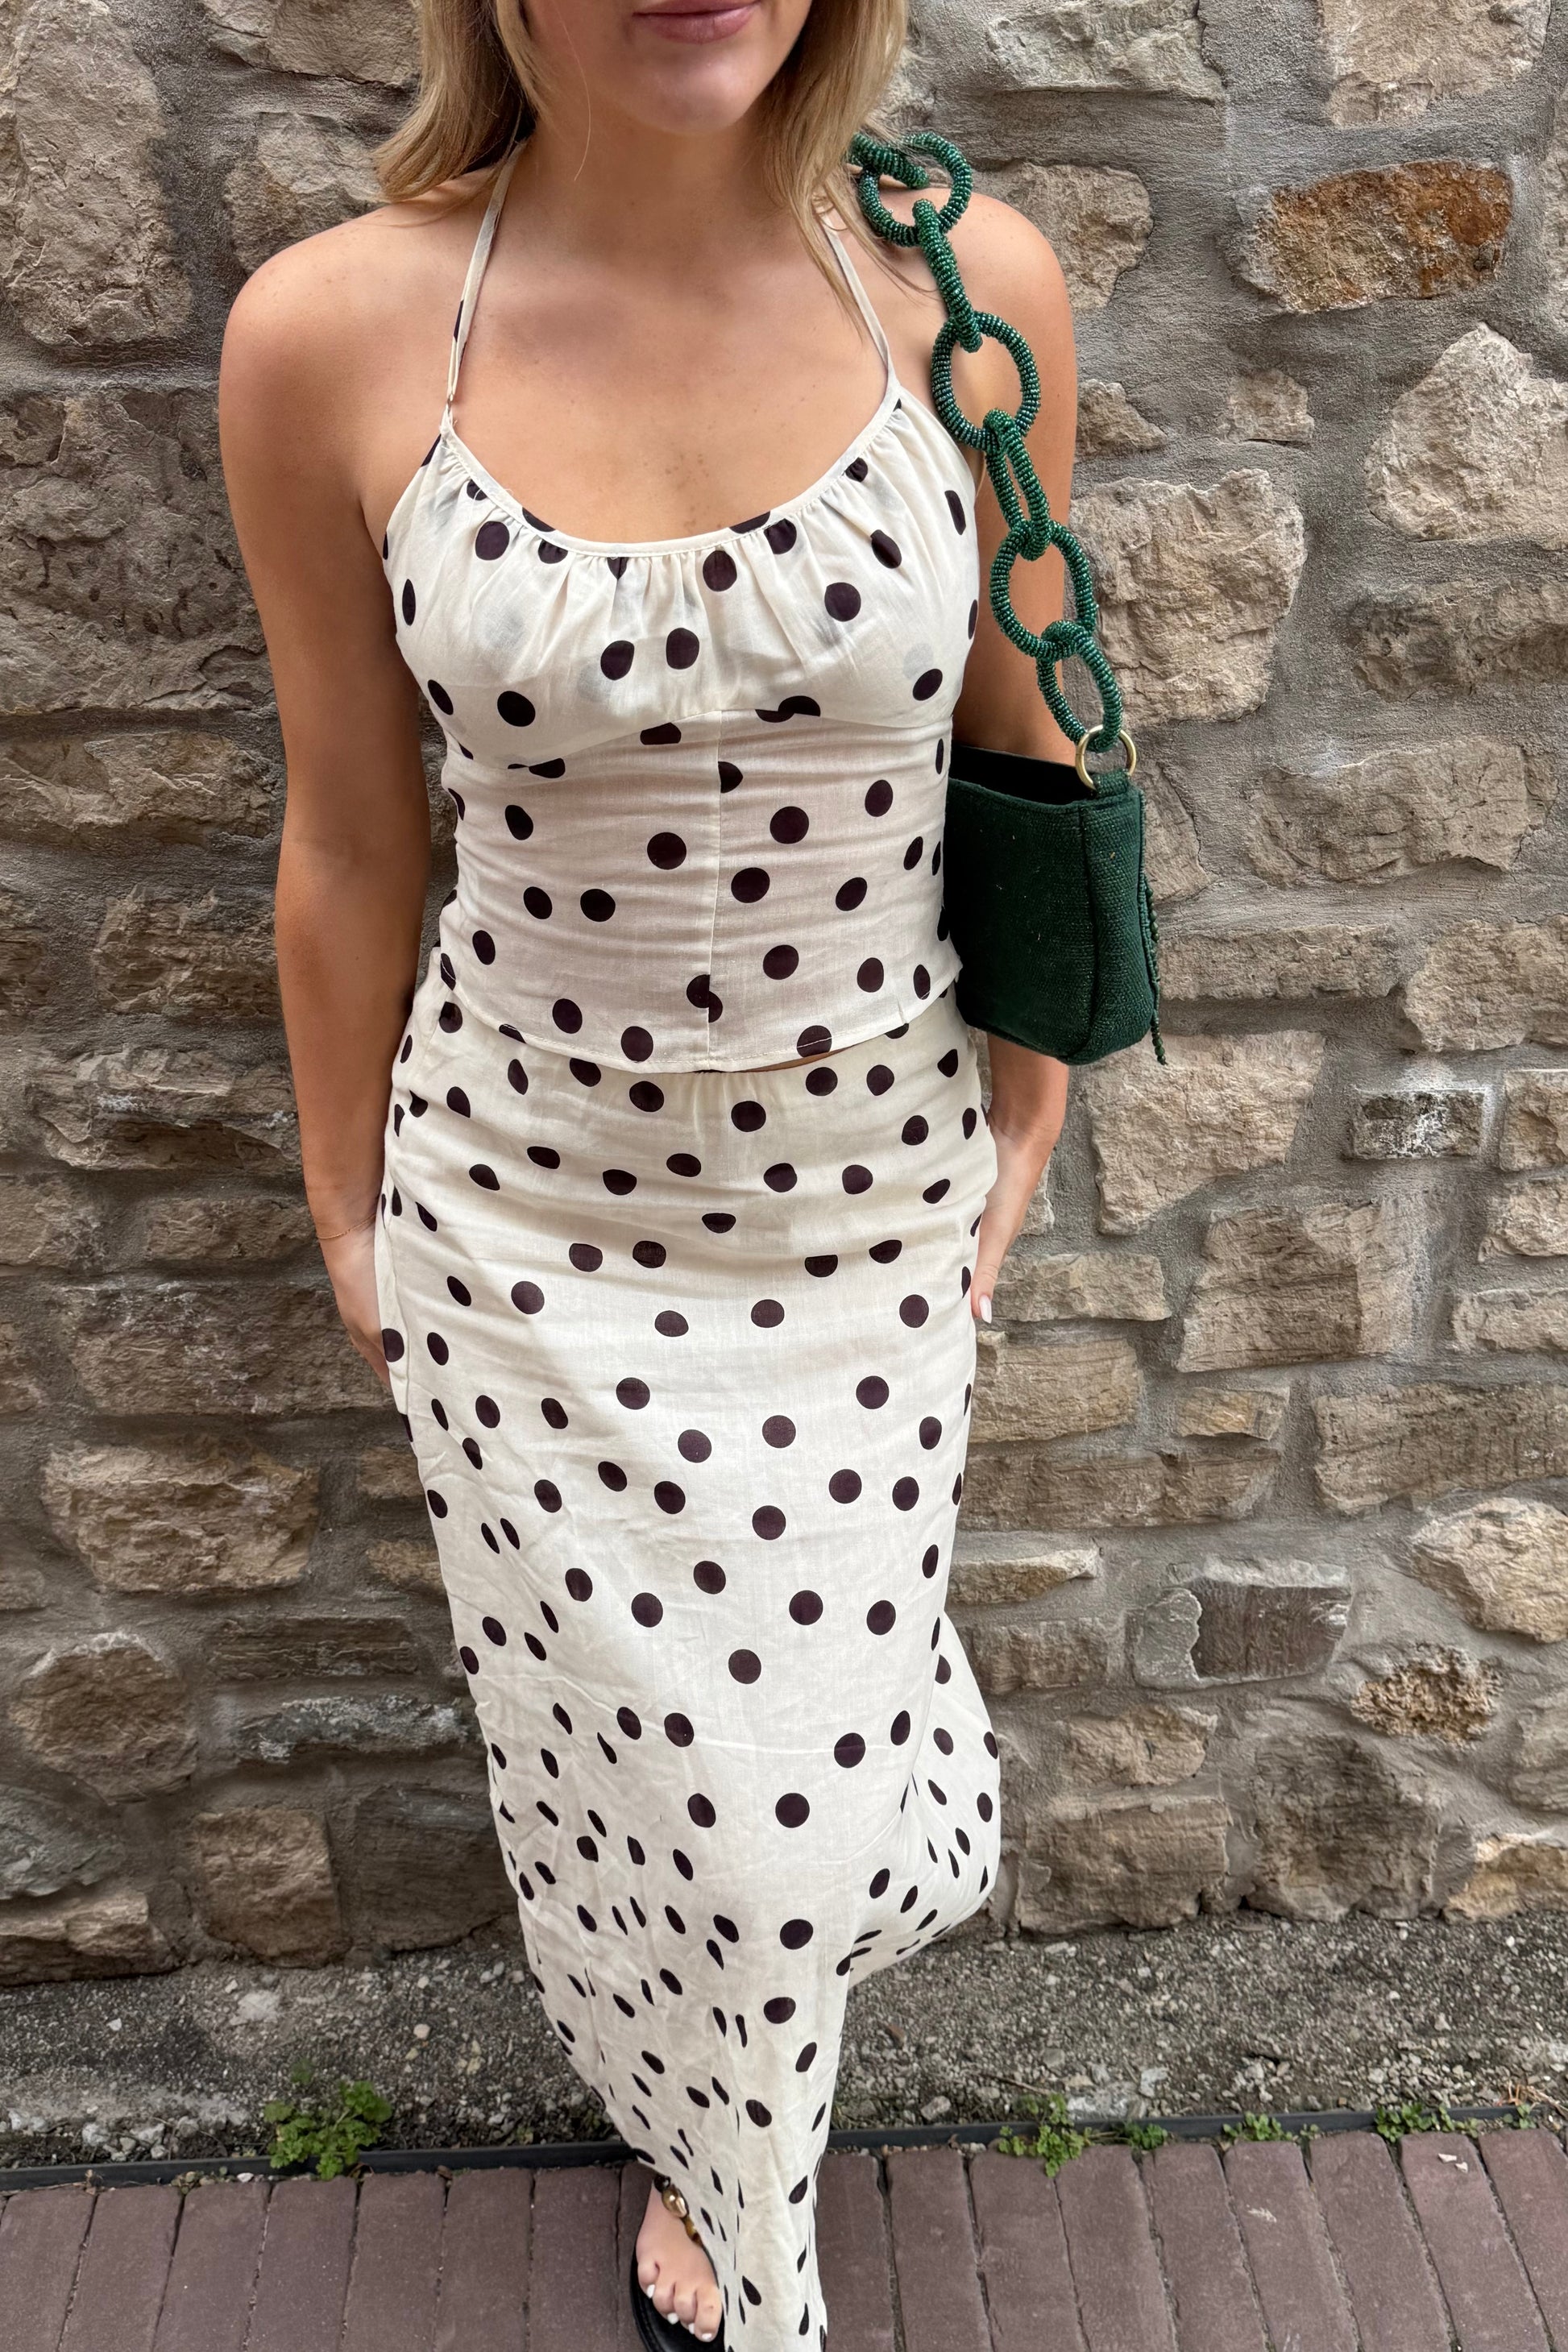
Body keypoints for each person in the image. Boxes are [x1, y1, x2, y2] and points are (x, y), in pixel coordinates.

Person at [218, 2, 1079, 2342]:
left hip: (863, 1208)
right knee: (627, 1771)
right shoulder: (335, 330)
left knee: (794, 1823)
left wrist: (1029, 1110)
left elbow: (1026, 731)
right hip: (522, 1226)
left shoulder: (967, 288)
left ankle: (729, 2083)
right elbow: (346, 832)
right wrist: (340, 1205)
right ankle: (732, 2193)